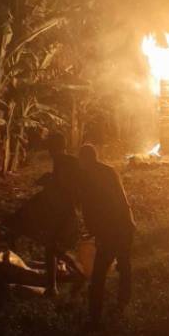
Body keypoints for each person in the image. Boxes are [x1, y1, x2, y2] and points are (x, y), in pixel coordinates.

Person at [76, 144, 135, 325]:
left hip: (110, 232)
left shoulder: (87, 178)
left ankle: (95, 319)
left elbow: (90, 209)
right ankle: (123, 303)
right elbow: (121, 200)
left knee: (98, 276)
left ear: (85, 160)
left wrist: (94, 232)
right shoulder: (109, 171)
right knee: (124, 265)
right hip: (125, 226)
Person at [43, 132, 82, 297]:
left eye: (49, 146)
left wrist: (49, 182)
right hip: (68, 208)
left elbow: (63, 185)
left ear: (53, 147)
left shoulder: (60, 161)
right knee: (52, 247)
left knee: (52, 247)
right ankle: (52, 287)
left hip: (63, 210)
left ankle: (78, 272)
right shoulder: (69, 160)